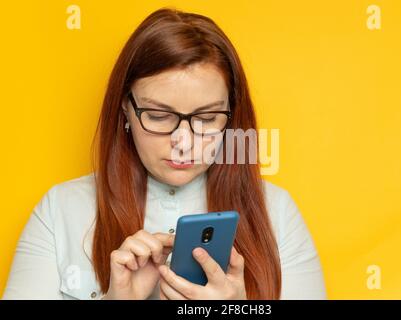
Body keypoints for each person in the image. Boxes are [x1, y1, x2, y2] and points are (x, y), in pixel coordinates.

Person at [3, 7, 326, 300]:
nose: (183, 141)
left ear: (232, 116)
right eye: (159, 116)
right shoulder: (59, 211)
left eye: (206, 118)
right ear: (125, 111)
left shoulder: (278, 213)